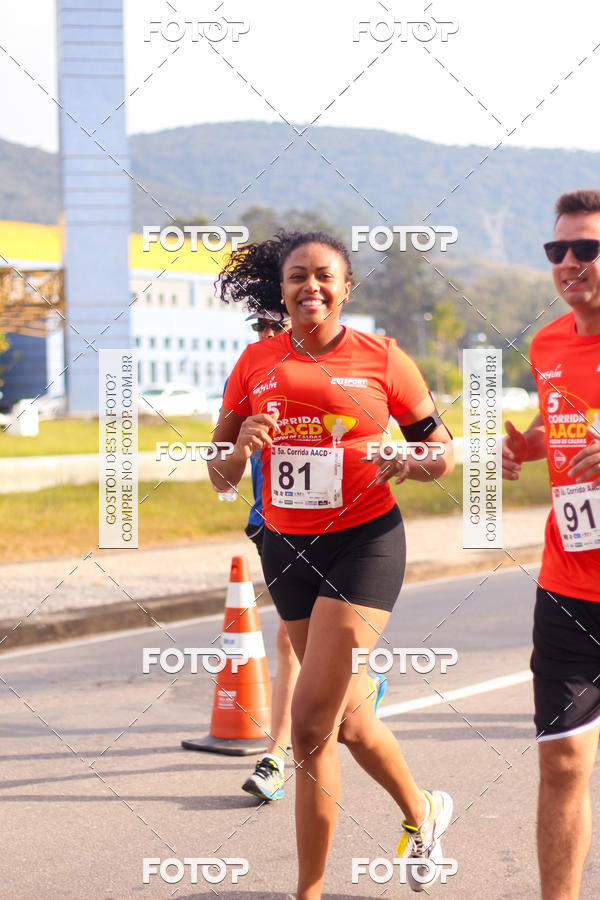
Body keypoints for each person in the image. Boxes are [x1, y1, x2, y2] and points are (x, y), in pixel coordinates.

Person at [208, 230, 455, 899]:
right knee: (348, 721)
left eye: (324, 276)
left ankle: (308, 893)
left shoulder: (383, 358)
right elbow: (218, 474)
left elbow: (441, 452)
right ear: (281, 289)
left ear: (346, 288)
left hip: (364, 543)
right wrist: (240, 449)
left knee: (310, 728)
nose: (310, 287)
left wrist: (410, 459)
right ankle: (423, 812)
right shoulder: (255, 361)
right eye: (297, 276)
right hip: (286, 550)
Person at [502, 189, 600, 900]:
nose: (569, 261)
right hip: (568, 586)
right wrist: (528, 447)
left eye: (586, 248)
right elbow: (562, 426)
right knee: (562, 761)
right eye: (557, 249)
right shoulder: (548, 345)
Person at [238, 312, 302, 802]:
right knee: (297, 642)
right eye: (260, 325)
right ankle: (362, 684)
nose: (267, 334)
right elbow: (220, 466)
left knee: (289, 639)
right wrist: (238, 447)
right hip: (272, 523)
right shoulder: (253, 373)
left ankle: (275, 756)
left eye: (276, 324)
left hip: (341, 528)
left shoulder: (335, 369)